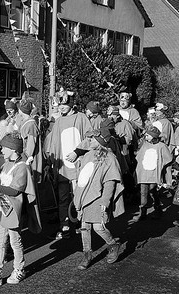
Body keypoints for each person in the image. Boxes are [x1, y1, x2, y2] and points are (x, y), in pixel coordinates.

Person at [0, 132, 36, 288]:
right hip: (3, 208)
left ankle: (19, 269)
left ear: (13, 149)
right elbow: (0, 182)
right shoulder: (6, 163)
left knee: (15, 242)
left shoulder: (22, 167)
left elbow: (16, 191)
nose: (1, 149)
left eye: (4, 147)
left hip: (13, 211)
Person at [73, 129, 124, 270]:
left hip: (98, 197)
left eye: (92, 139)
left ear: (100, 141)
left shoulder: (110, 158)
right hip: (85, 197)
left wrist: (105, 201)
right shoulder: (88, 155)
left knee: (98, 226)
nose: (88, 141)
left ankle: (112, 244)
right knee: (84, 227)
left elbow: (110, 182)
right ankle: (87, 254)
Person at [45, 90, 92, 239]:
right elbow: (53, 144)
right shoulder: (58, 121)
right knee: (63, 197)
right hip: (63, 168)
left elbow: (90, 138)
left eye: (64, 104)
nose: (61, 108)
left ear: (71, 104)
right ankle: (64, 226)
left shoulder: (81, 118)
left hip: (79, 165)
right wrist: (50, 162)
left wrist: (77, 152)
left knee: (79, 196)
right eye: (60, 105)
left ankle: (81, 223)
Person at [132, 126, 173, 222]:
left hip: (154, 173)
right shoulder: (145, 144)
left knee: (153, 191)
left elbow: (168, 159)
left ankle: (157, 209)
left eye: (148, 135)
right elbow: (139, 157)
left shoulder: (161, 146)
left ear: (153, 136)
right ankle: (143, 212)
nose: (146, 137)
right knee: (143, 192)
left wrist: (162, 167)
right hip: (143, 173)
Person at [17, 96, 43, 183]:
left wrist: (27, 158)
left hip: (29, 159)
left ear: (21, 110)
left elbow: (31, 143)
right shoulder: (25, 122)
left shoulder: (31, 124)